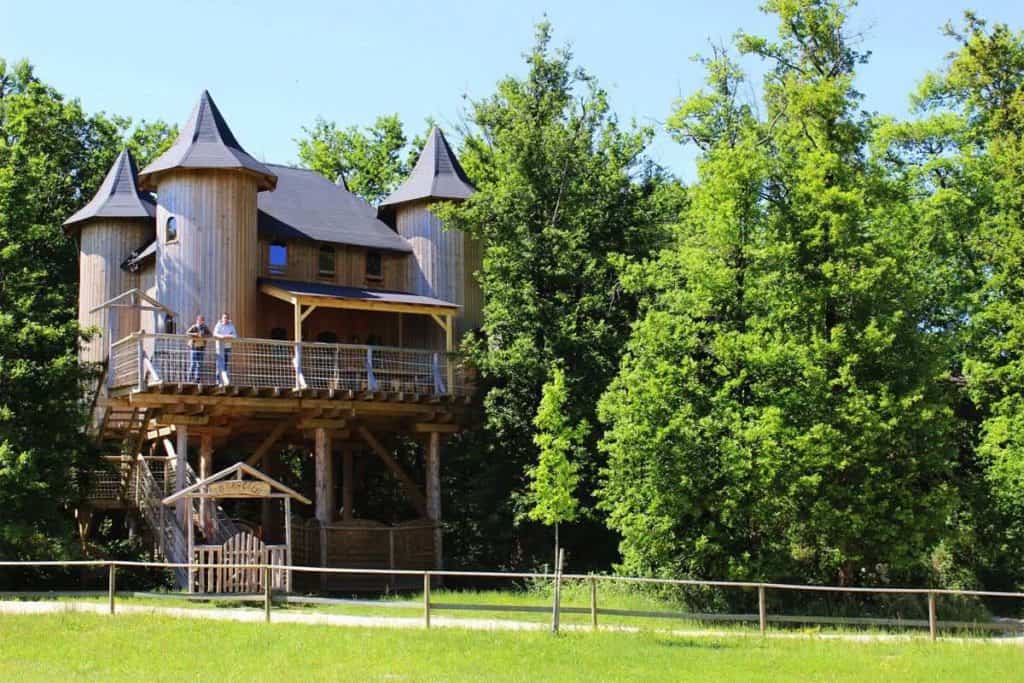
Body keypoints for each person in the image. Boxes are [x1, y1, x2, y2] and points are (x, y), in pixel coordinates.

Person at [213, 312, 238, 385]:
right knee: (219, 364)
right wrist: (222, 337)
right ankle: (218, 382)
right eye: (224, 318)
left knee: (226, 364)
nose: (225, 319)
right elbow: (215, 334)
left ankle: (225, 381)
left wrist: (227, 336)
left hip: (228, 347)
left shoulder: (231, 326)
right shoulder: (218, 325)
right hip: (219, 348)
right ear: (222, 318)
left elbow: (235, 335)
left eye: (227, 318)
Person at [185, 314, 210, 384]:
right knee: (193, 364)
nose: (200, 321)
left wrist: (204, 335)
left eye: (202, 320)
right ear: (197, 320)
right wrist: (195, 334)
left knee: (199, 364)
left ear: (203, 321)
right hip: (194, 347)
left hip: (201, 348)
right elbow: (187, 333)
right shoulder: (194, 327)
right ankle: (189, 379)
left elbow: (210, 335)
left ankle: (197, 379)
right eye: (199, 320)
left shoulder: (205, 327)